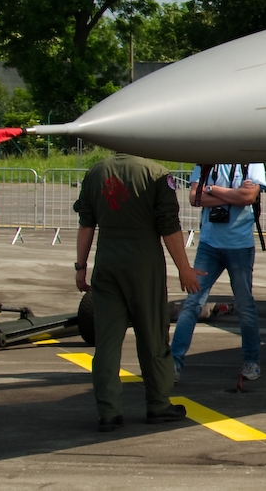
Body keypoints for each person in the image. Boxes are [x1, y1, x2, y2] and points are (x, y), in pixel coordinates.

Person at [74, 152, 203, 433]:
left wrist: (80, 266)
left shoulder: (96, 173)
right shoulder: (157, 174)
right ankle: (157, 403)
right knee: (152, 334)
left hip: (107, 262)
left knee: (106, 342)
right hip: (143, 263)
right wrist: (184, 267)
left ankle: (108, 411)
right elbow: (169, 225)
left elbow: (86, 224)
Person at [171, 162, 266, 383]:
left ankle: (251, 361)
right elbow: (195, 198)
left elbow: (249, 197)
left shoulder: (251, 162)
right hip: (209, 246)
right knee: (192, 303)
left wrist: (211, 189)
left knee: (245, 305)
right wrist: (234, 195)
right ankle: (174, 362)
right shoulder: (206, 161)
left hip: (240, 246)